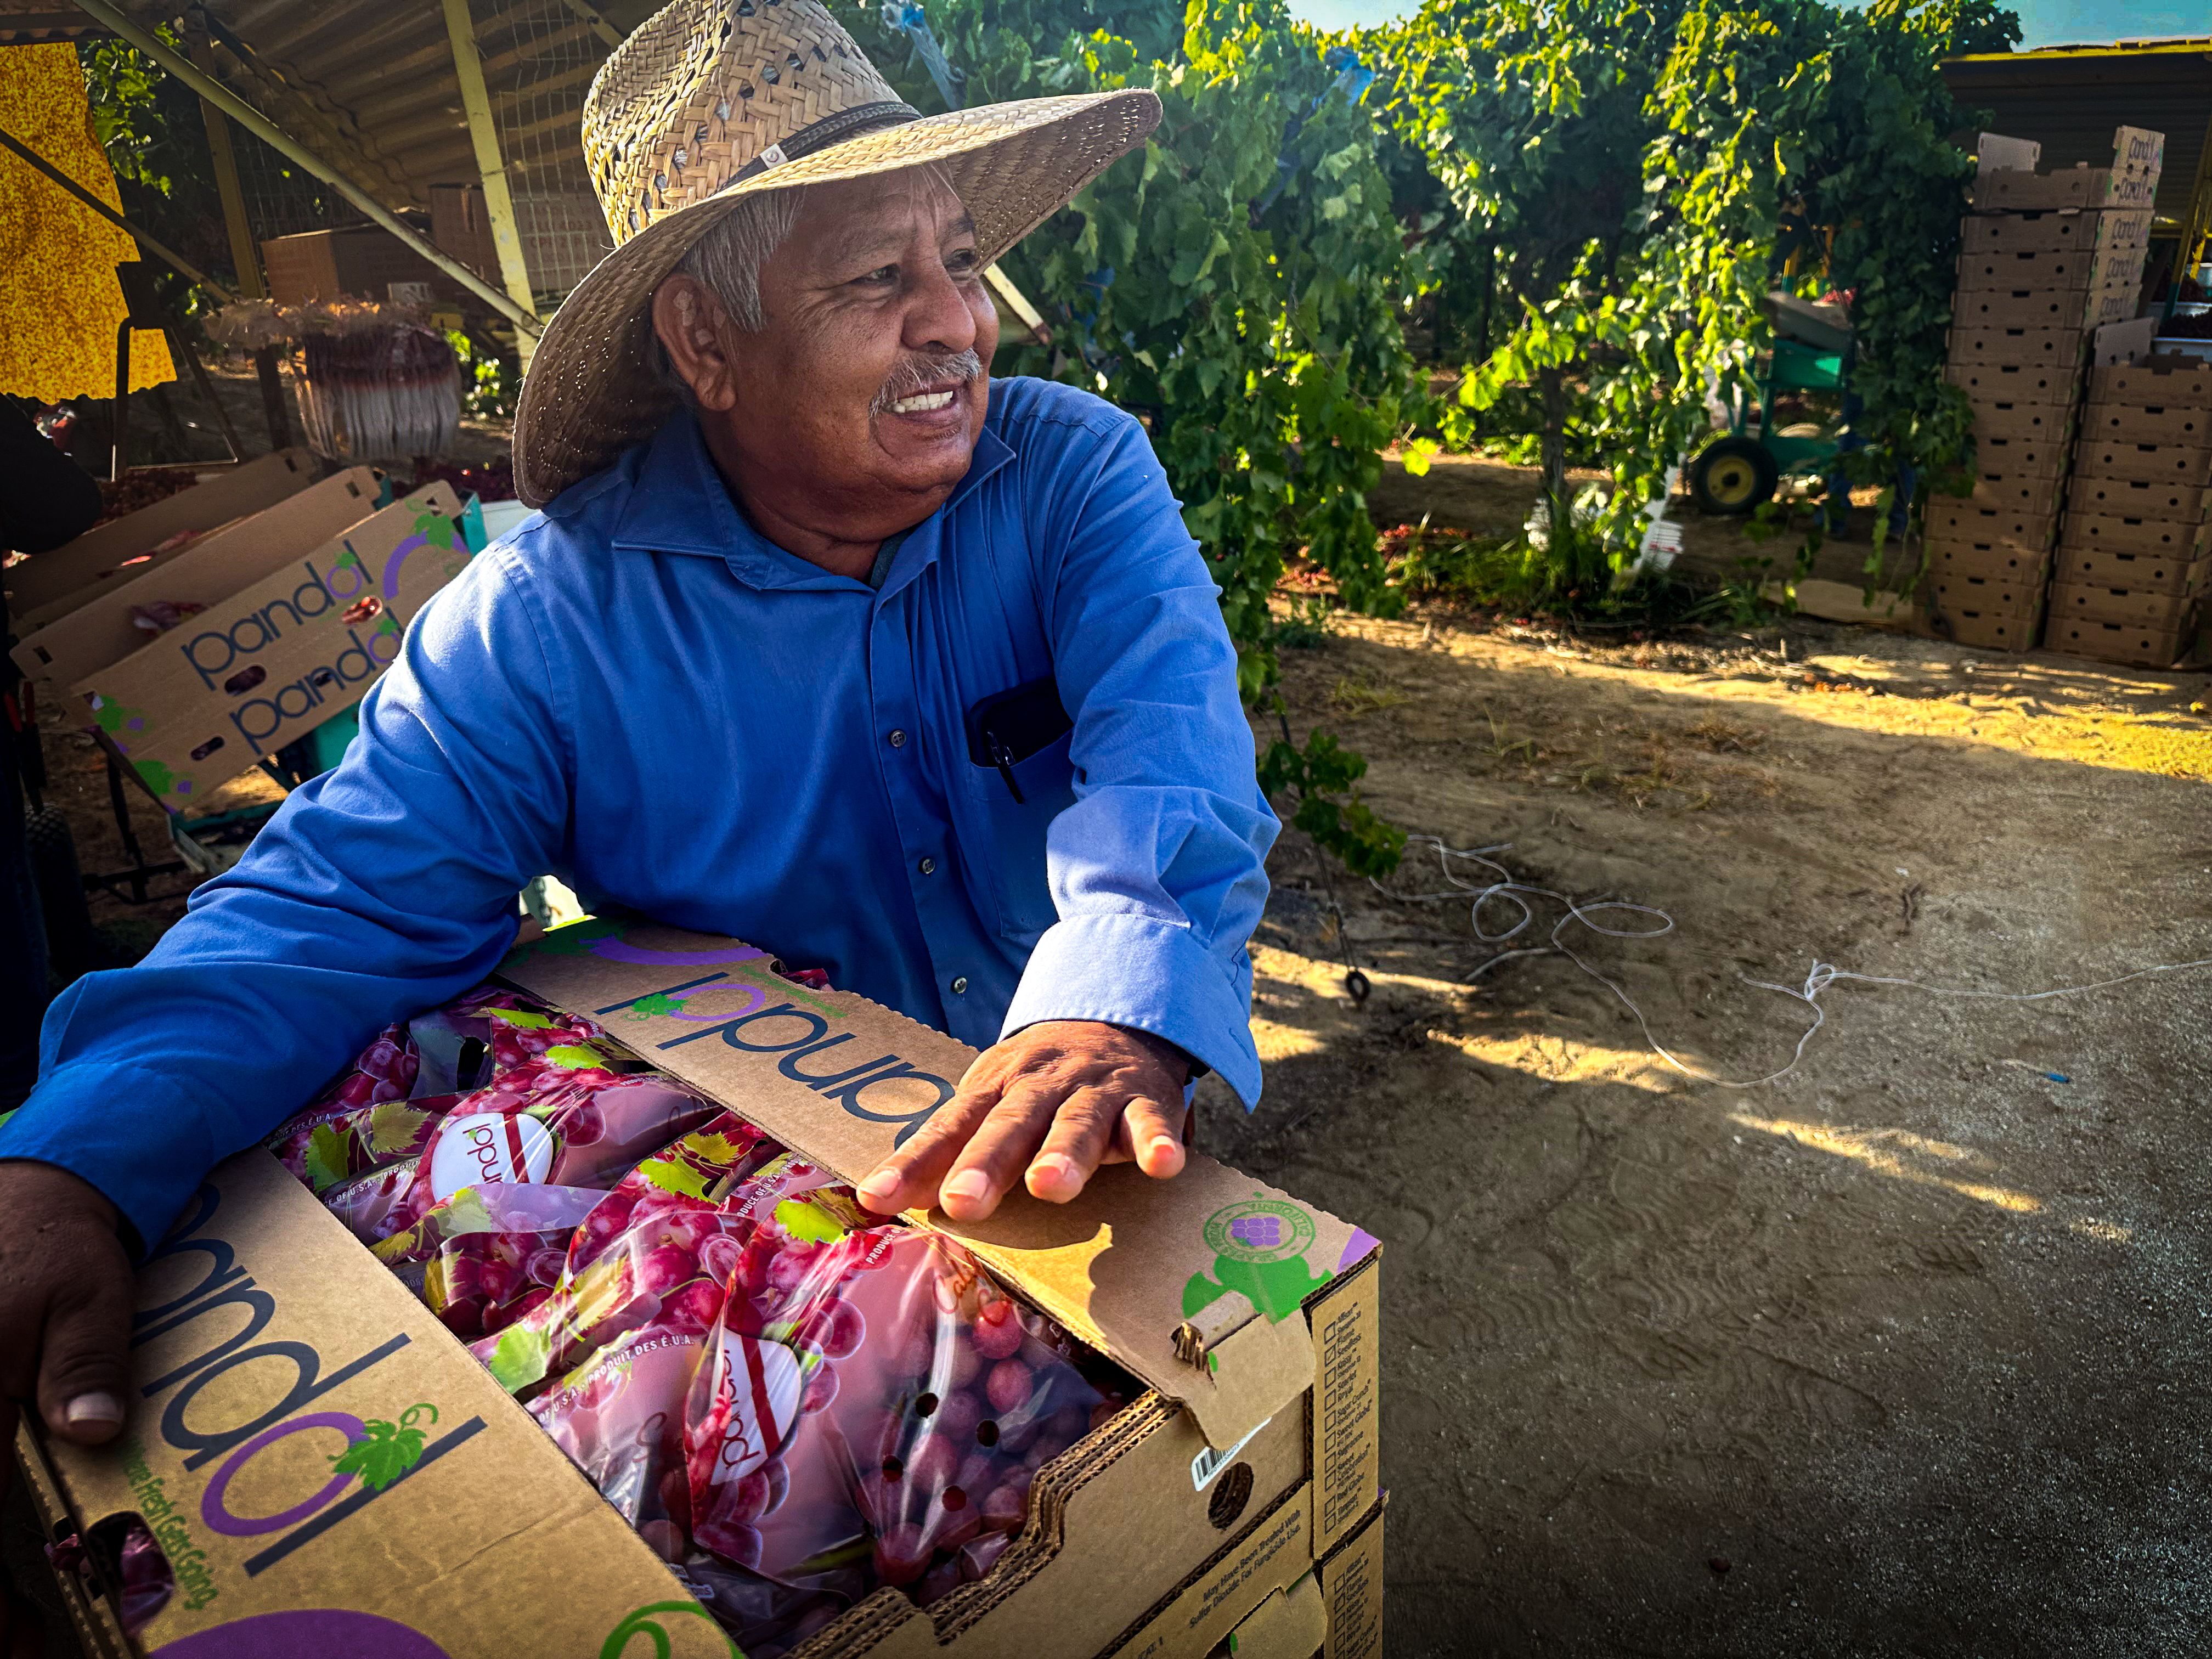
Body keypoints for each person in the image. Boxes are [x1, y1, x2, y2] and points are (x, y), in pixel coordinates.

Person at [0, 0, 1276, 1453]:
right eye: (878, 278)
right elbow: (332, 901)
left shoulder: (1069, 478)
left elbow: (1171, 763)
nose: (958, 321)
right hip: (804, 1269)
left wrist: (1109, 1002)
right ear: (704, 343)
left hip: (1087, 1158)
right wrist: (71, 1160)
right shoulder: (550, 622)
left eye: (963, 263)